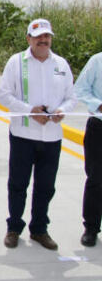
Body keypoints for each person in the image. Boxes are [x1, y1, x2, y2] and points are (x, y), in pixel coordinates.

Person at [0, 18, 77, 250]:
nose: (43, 40)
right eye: (38, 36)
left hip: (52, 137)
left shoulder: (61, 64)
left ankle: (40, 230)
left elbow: (72, 97)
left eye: (47, 36)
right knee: (18, 184)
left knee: (46, 186)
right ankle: (14, 227)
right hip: (23, 134)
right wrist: (29, 111)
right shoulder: (16, 62)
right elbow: (4, 95)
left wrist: (63, 110)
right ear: (28, 39)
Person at [74, 51, 102, 247]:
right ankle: (91, 227)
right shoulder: (97, 61)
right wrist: (98, 105)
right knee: (96, 179)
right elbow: (80, 89)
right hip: (98, 127)